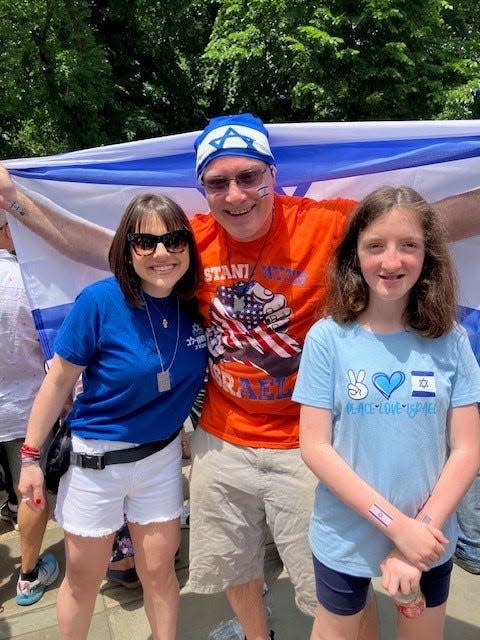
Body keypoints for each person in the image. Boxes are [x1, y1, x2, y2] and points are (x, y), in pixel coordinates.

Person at [1, 114, 480, 640]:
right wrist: (14, 199)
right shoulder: (190, 243)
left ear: (272, 175)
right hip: (221, 440)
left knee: (333, 589)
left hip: (307, 444)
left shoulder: (322, 226)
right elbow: (102, 248)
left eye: (249, 176)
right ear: (202, 188)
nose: (236, 194)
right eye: (218, 182)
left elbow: (425, 225)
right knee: (235, 566)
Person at [293, 186, 480, 640]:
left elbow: (467, 450)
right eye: (375, 245)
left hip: (428, 537)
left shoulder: (451, 340)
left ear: (428, 254)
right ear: (354, 254)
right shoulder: (327, 339)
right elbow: (315, 447)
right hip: (345, 536)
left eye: (408, 245)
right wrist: (396, 527)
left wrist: (418, 537)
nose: (391, 262)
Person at [17, 193, 207, 640]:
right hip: (95, 464)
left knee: (159, 573)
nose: (162, 252)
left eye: (175, 239)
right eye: (146, 242)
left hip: (160, 461)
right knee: (82, 581)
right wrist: (29, 457)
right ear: (127, 248)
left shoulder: (195, 303)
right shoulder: (100, 301)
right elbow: (58, 380)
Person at [0, 210, 60, 605]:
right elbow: (51, 352)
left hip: (16, 406)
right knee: (32, 493)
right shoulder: (23, 281)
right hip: (25, 408)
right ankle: (28, 574)